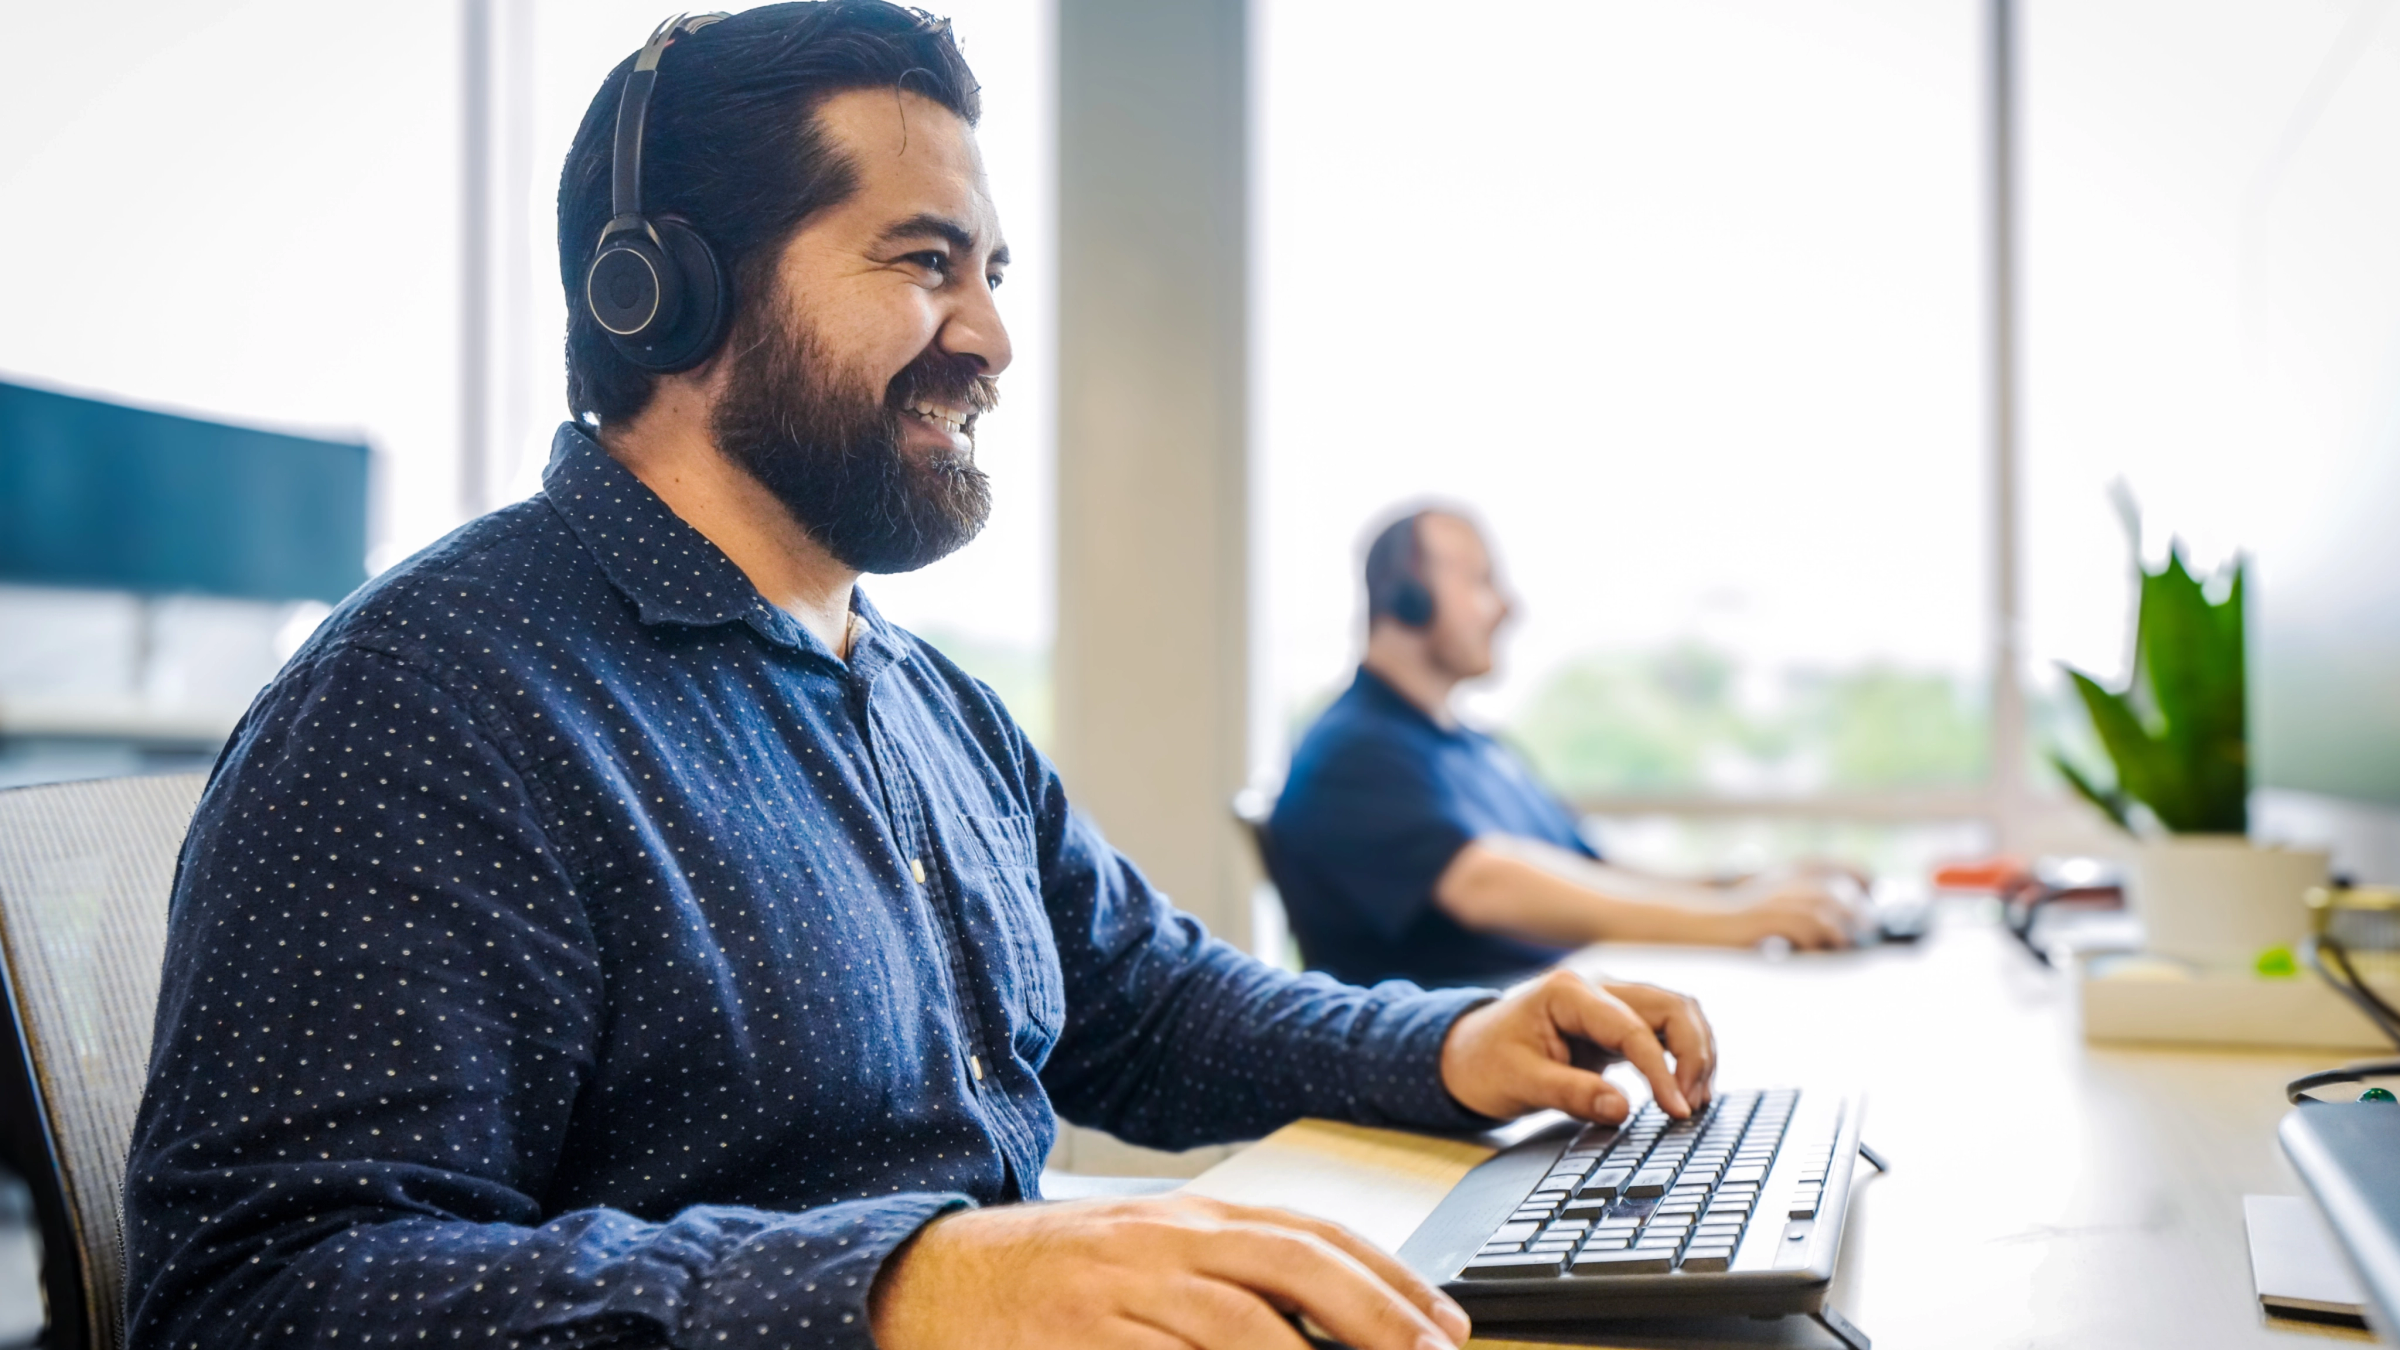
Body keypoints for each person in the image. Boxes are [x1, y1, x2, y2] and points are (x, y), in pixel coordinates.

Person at [122, 10, 1721, 1350]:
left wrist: (1448, 1046)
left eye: (995, 272)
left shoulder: (921, 698)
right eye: (923, 262)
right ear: (663, 293)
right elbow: (260, 1294)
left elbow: (1145, 1003)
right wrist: (898, 1285)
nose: (993, 339)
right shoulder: (433, 699)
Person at [1269, 509, 1861, 988]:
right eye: (1480, 581)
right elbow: (1484, 885)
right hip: (1451, 1088)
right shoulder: (1352, 755)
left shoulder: (1478, 750)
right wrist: (1738, 921)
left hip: (1550, 1030)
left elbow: (1597, 875)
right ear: (1406, 597)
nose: (1506, 607)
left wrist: (1745, 886)